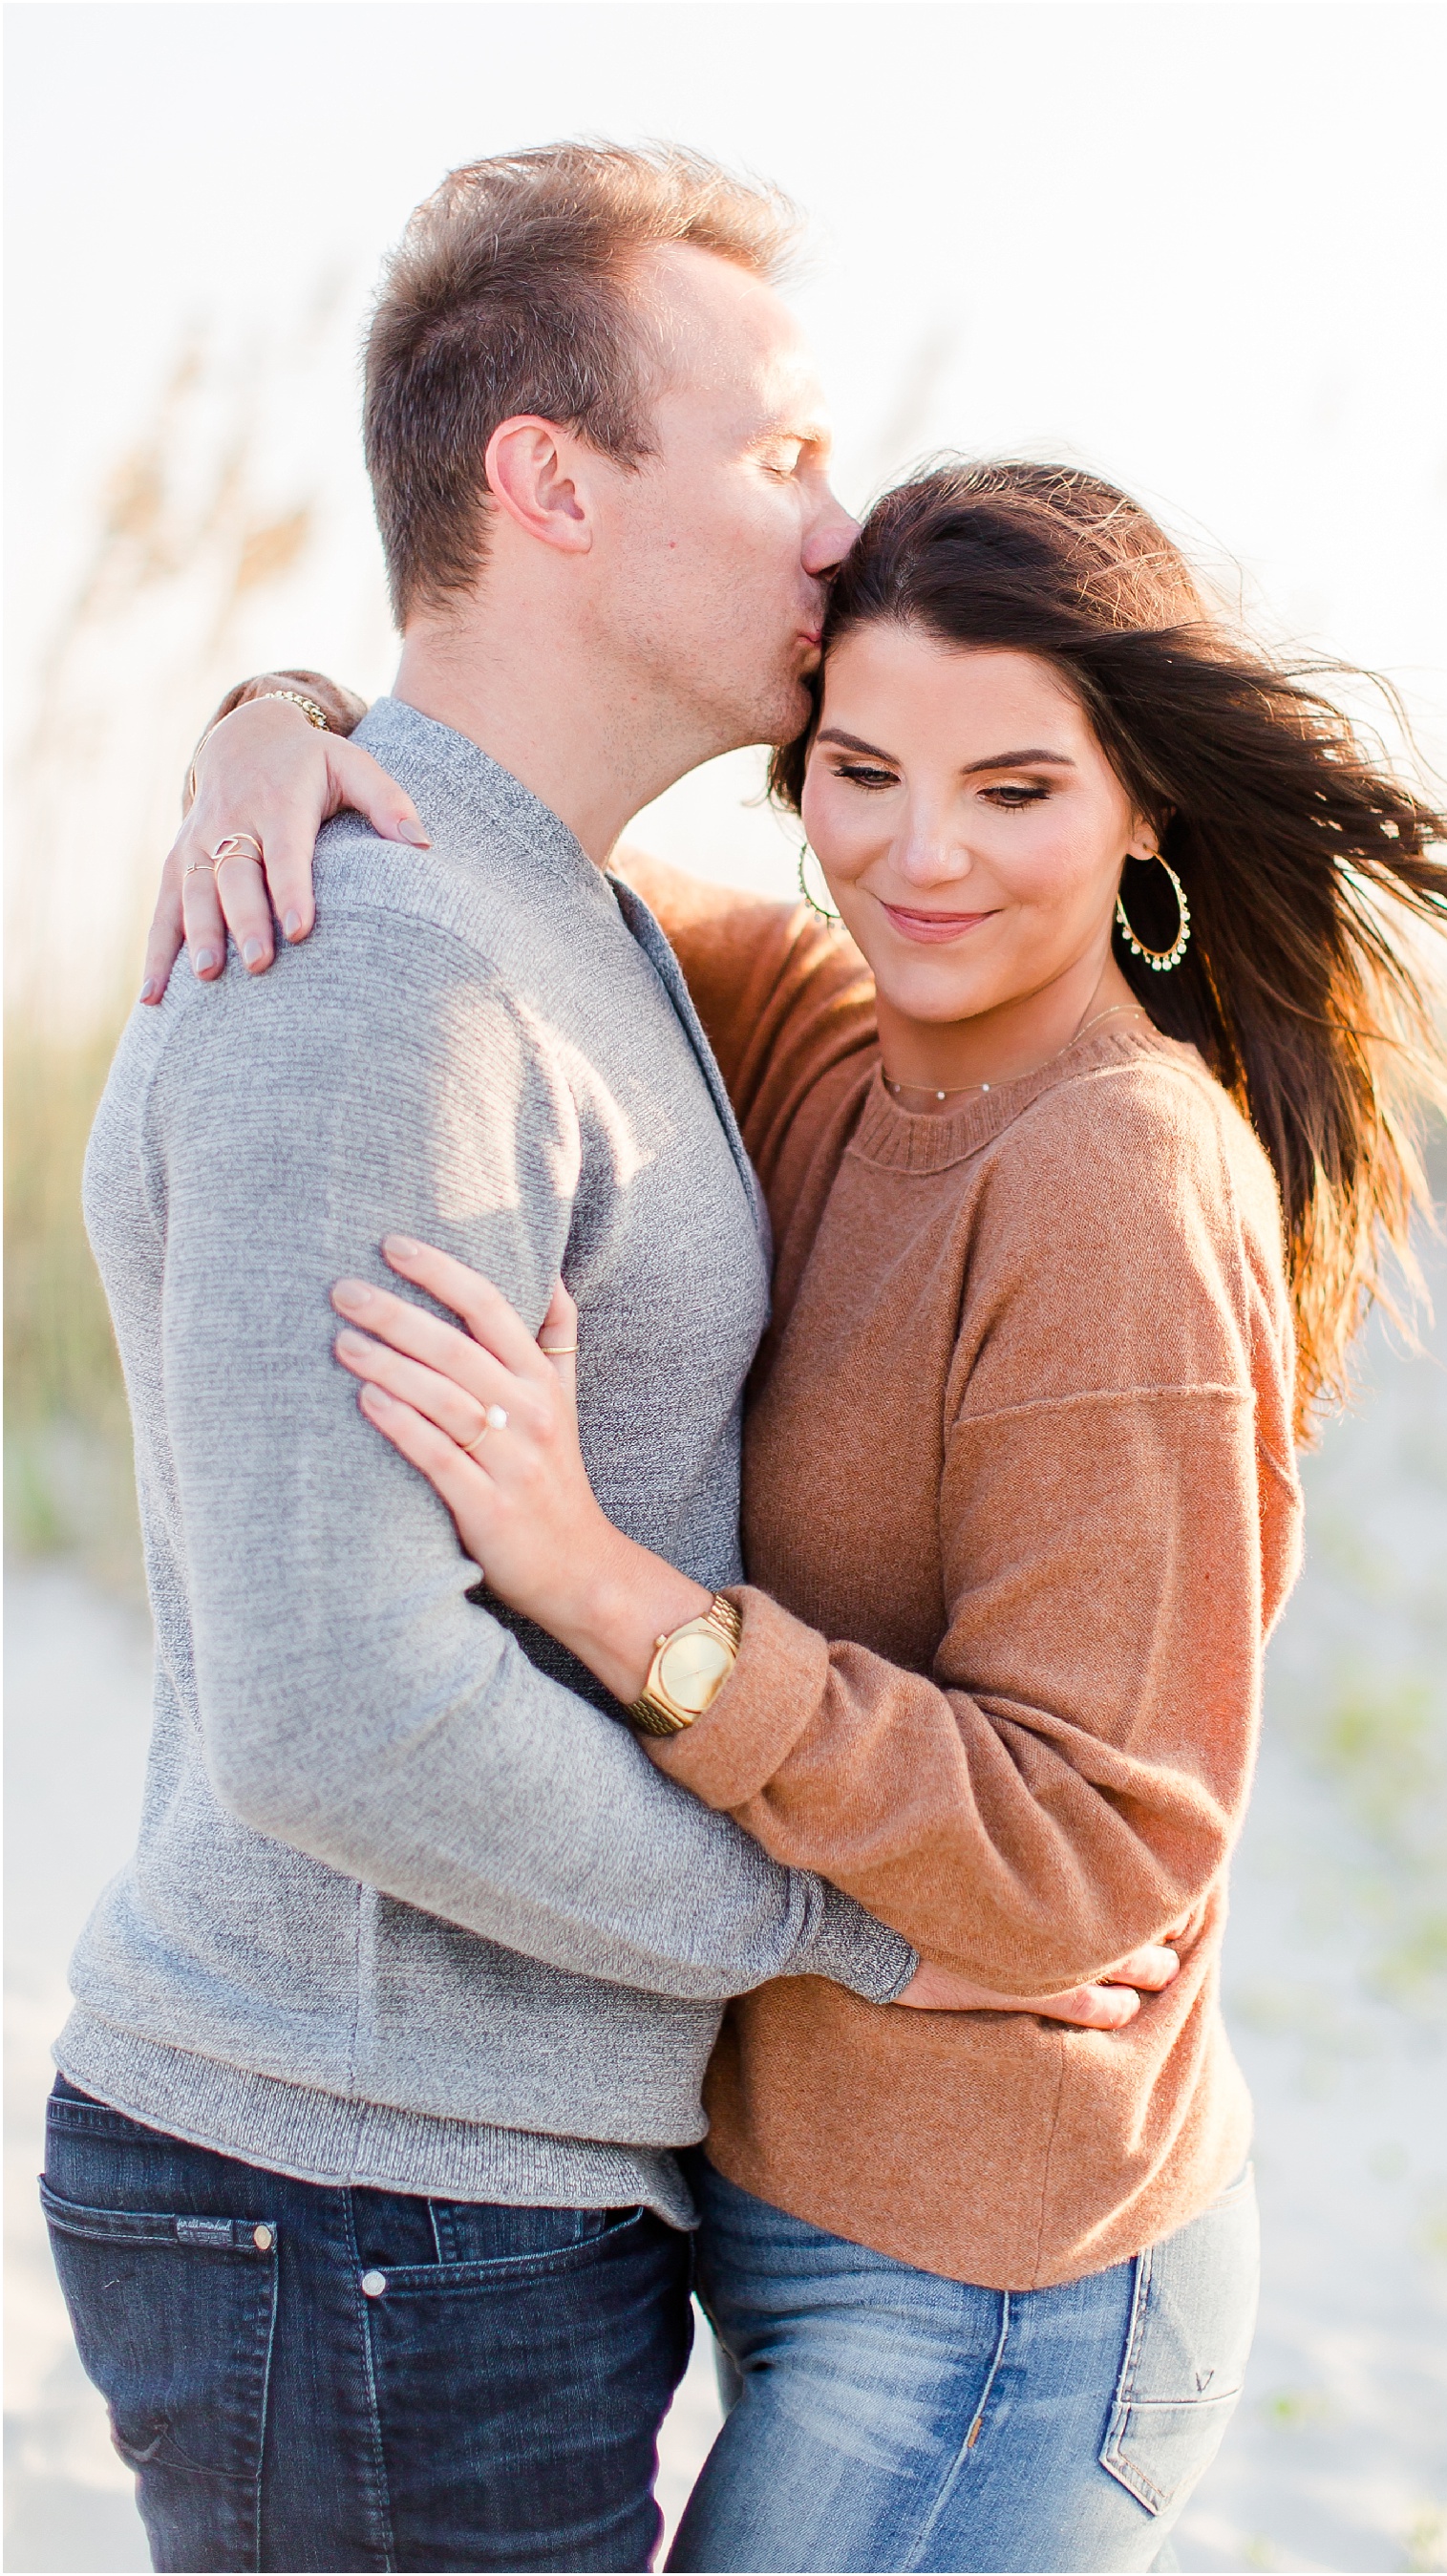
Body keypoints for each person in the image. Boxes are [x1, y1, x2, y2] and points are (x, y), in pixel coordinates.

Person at [157, 459, 1447, 2571]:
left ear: (1143, 811)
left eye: (1016, 789)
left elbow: (1105, 1840)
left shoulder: (1114, 1174)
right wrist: (266, 722)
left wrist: (605, 1582)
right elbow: (494, 803)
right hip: (799, 2202)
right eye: (860, 771)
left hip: (1001, 2287)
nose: (920, 859)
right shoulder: (823, 1024)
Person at [48, 148, 1172, 2576]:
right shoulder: (382, 967)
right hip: (353, 2177)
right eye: (775, 448)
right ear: (546, 480)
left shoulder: (561, 916)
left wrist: (267, 703)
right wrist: (854, 1920)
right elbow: (343, 1703)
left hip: (444, 2179)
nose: (832, 518)